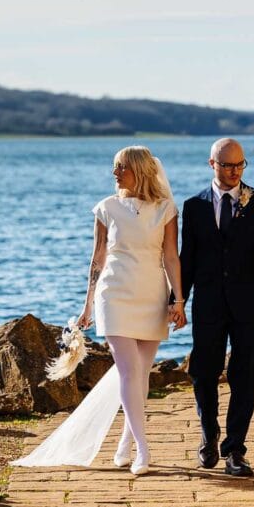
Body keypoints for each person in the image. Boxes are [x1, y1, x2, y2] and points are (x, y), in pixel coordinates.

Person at [77, 145, 186, 474]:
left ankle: (125, 442)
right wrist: (87, 305)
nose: (114, 172)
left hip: (151, 294)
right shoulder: (106, 208)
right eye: (114, 166)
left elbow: (170, 256)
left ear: (138, 169)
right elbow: (98, 258)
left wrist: (178, 300)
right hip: (114, 295)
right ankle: (142, 448)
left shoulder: (165, 208)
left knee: (141, 372)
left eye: (121, 166)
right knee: (128, 371)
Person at [180, 138, 254, 477]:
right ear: (212, 164)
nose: (234, 171)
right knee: (203, 373)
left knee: (244, 377)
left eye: (240, 165)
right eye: (227, 165)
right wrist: (177, 300)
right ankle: (209, 437)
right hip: (208, 305)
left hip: (248, 305)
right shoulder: (193, 207)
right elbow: (188, 260)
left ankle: (235, 450)